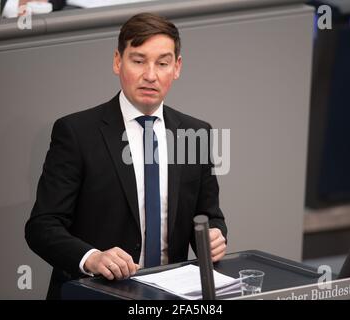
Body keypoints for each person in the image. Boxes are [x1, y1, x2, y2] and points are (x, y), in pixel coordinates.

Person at [25, 12, 227, 300]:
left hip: (172, 295)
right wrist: (91, 258)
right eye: (138, 60)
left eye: (162, 63)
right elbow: (42, 227)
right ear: (118, 61)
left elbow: (209, 216)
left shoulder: (196, 132)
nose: (150, 75)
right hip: (96, 291)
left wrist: (214, 237)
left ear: (177, 67)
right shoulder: (76, 132)